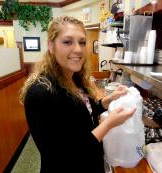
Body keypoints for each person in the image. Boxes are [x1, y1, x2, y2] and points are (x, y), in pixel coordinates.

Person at [20, 16, 136, 173]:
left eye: (82, 42)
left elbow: (81, 116)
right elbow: (63, 155)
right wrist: (108, 124)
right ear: (51, 46)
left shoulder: (74, 78)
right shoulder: (40, 93)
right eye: (67, 42)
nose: (78, 49)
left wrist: (105, 102)